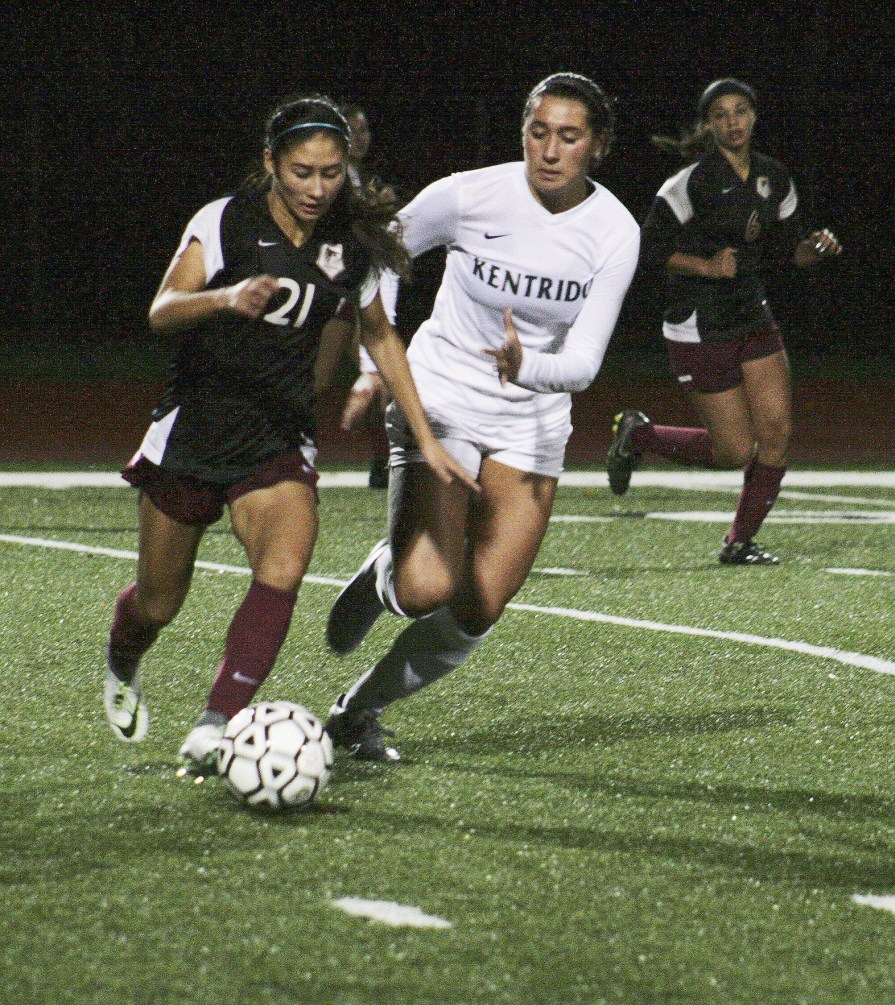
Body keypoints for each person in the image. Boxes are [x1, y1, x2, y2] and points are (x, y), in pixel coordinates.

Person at [102, 94, 476, 772]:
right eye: (302, 171)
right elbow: (162, 309)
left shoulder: (352, 243)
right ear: (271, 162)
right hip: (196, 427)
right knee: (158, 601)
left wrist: (424, 437)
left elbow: (381, 335)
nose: (316, 187)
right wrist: (223, 296)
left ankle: (215, 726)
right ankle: (123, 654)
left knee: (282, 568)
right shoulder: (225, 221)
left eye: (330, 173)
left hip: (277, 434)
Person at [323, 73, 640, 761]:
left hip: (533, 420)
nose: (549, 150)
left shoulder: (614, 230)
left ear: (597, 145)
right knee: (424, 587)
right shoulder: (468, 193)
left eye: (569, 136)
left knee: (476, 608)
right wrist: (376, 360)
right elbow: (378, 252)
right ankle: (387, 571)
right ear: (521, 129)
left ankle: (356, 711)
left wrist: (527, 367)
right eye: (537, 130)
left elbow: (583, 361)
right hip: (441, 396)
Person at [605, 77, 841, 565]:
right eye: (721, 114)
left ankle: (739, 541)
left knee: (776, 433)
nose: (733, 122)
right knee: (734, 451)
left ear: (754, 117)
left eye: (740, 111)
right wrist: (707, 266)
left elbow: (790, 252)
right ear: (708, 125)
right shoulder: (689, 182)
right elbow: (646, 249)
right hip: (698, 323)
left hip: (751, 315)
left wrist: (815, 249)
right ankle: (639, 434)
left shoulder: (774, 178)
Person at [314, 101, 398, 490]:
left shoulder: (361, 176)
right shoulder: (328, 178)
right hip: (329, 289)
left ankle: (385, 460)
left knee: (379, 371)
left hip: (353, 289)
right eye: (353, 131)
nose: (361, 139)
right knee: (320, 375)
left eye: (365, 131)